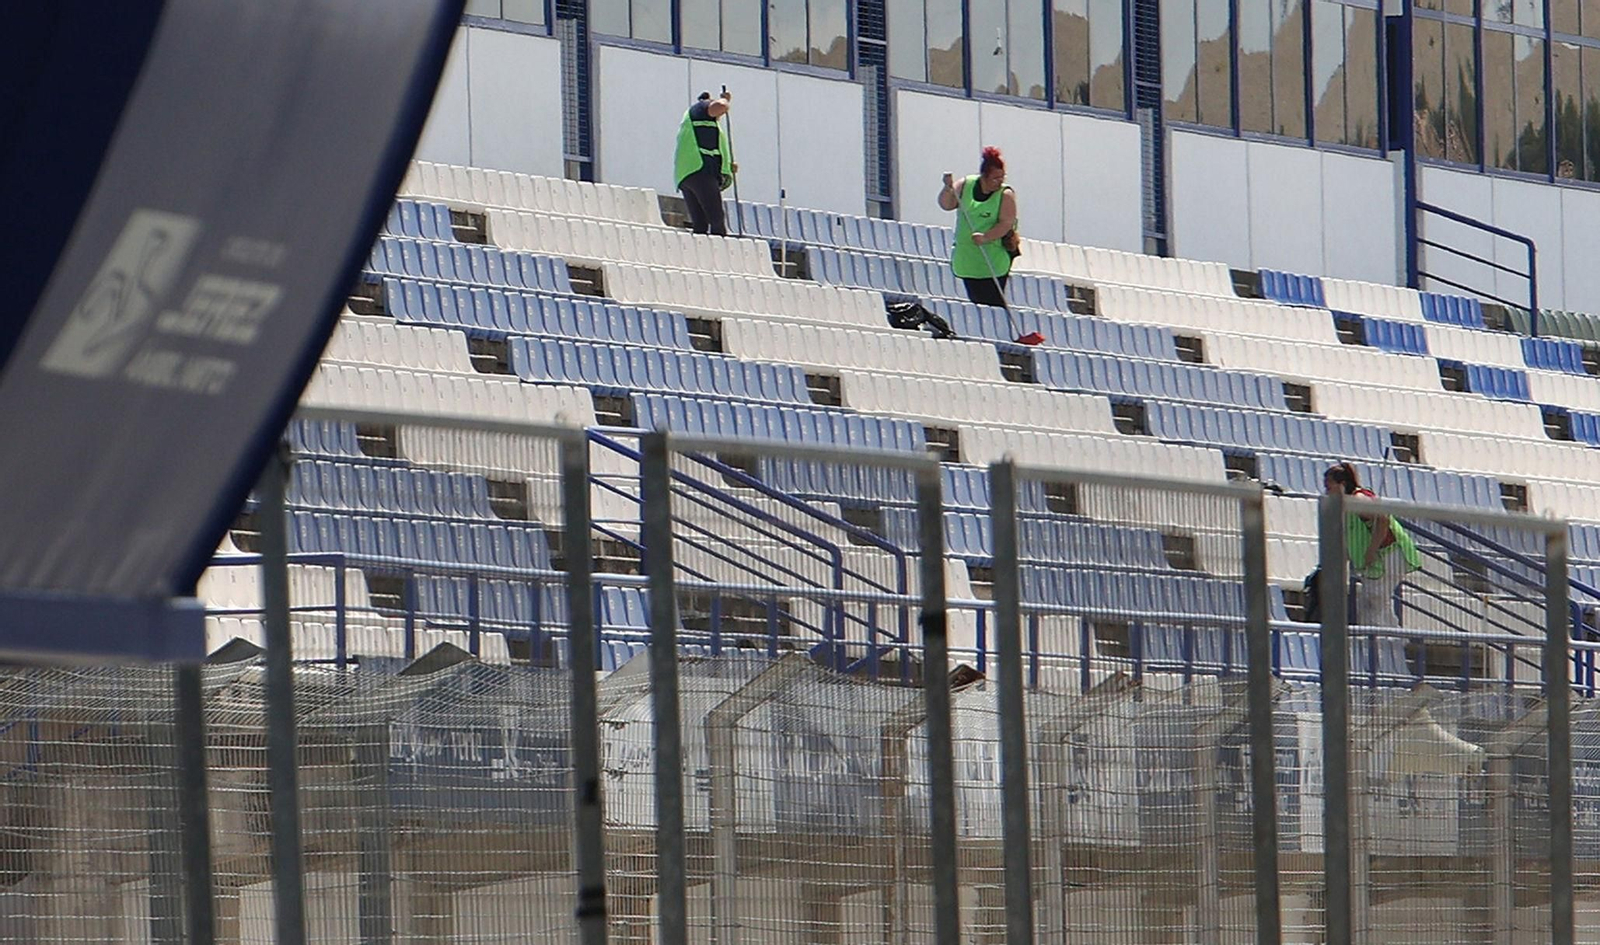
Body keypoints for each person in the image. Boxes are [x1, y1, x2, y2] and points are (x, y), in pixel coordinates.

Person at [1324, 462, 1421, 627]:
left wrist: (1371, 550)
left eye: (1329, 487)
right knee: (1377, 605)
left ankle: (1380, 639)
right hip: (1379, 561)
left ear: (1342, 485)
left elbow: (1382, 519)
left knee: (1372, 603)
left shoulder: (1357, 499)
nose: (1327, 492)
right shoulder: (1346, 507)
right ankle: (1393, 639)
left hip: (1386, 556)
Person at [938, 146, 1019, 307]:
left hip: (994, 256)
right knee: (975, 299)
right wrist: (948, 188)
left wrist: (986, 237)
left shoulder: (1005, 194)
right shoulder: (966, 184)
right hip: (968, 257)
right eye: (995, 178)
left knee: (993, 301)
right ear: (984, 176)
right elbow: (947, 205)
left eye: (1002, 177)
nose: (999, 182)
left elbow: (1006, 222)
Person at [673, 89, 737, 236]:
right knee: (717, 219)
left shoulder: (698, 123)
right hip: (700, 170)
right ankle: (720, 247)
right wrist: (725, 100)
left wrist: (727, 166)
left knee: (700, 224)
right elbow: (720, 106)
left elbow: (713, 147)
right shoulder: (701, 109)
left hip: (687, 173)